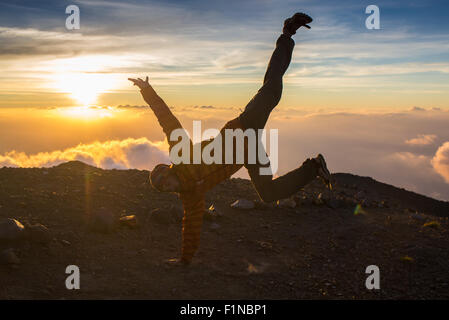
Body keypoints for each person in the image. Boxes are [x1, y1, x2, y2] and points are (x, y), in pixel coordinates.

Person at [129, 12, 331, 265]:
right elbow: (190, 226)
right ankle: (314, 167)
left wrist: (148, 92)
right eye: (164, 188)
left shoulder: (181, 155)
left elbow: (168, 121)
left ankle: (287, 33)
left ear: (168, 171)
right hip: (250, 153)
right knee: (268, 194)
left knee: (271, 89)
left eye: (165, 181)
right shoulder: (190, 196)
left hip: (242, 129)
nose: (168, 187)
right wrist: (184, 260)